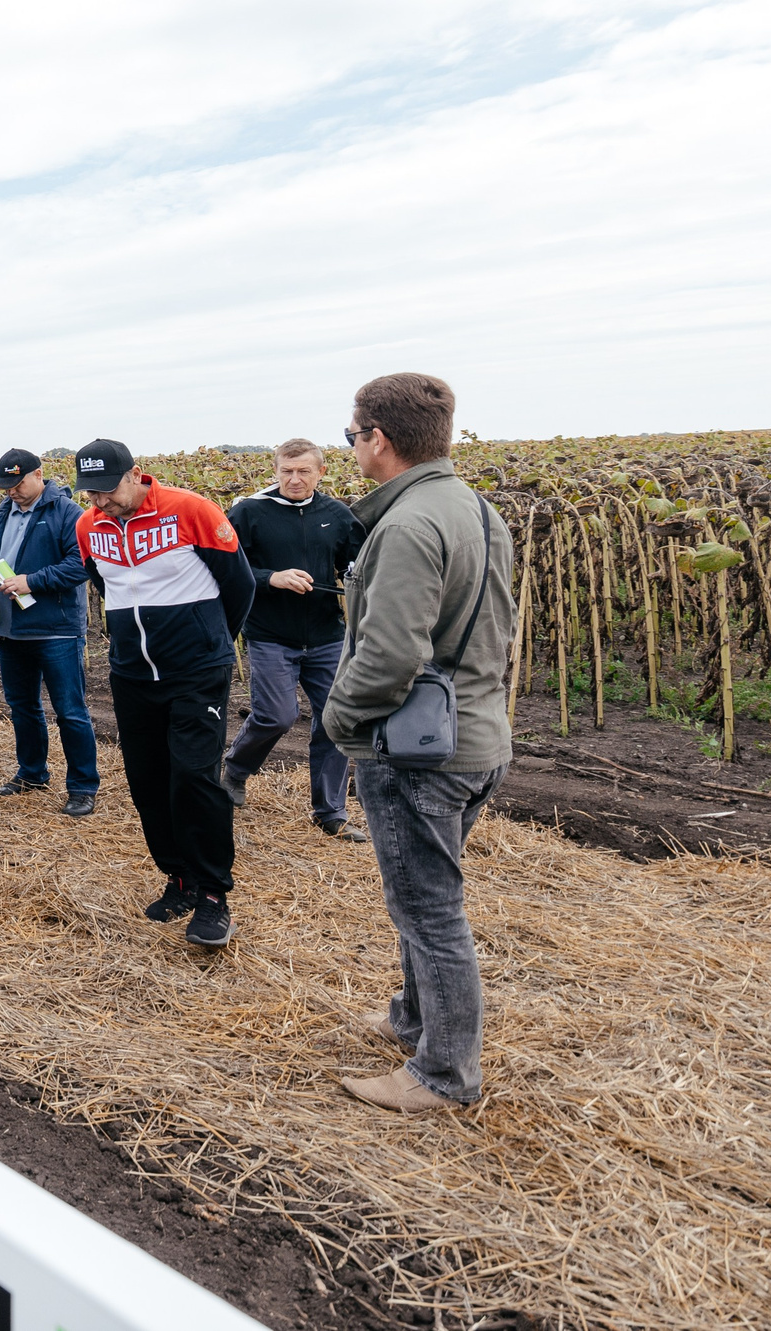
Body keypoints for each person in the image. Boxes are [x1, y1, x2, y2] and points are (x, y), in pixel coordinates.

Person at [323, 375, 515, 1113]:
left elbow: (389, 655)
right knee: (420, 898)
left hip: (417, 750)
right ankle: (411, 1018)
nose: (353, 447)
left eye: (352, 435)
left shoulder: (405, 525)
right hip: (475, 734)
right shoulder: (474, 508)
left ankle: (443, 1074)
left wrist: (341, 722)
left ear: (379, 438)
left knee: (429, 909)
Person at [74, 438, 256, 949]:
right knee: (148, 780)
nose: (100, 501)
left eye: (107, 490)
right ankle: (179, 878)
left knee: (194, 777)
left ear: (136, 475)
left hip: (196, 671)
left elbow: (238, 585)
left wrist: (211, 642)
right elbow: (104, 586)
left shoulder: (191, 510)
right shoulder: (89, 527)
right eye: (90, 493)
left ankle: (214, 895)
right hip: (132, 675)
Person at [224, 438, 370, 838]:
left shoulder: (337, 515)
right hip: (270, 634)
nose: (294, 479)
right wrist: (271, 577)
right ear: (275, 472)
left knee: (335, 720)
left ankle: (330, 812)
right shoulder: (249, 512)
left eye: (304, 471)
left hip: (326, 636)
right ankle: (236, 768)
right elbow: (227, 567)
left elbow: (357, 565)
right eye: (286, 471)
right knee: (277, 716)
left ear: (320, 472)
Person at [0, 450, 99, 816]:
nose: (11, 491)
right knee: (23, 707)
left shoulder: (68, 513)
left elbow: (81, 565)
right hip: (10, 630)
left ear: (39, 474)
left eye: (18, 483)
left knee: (70, 711)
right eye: (6, 485)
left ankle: (82, 786)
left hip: (56, 630)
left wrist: (32, 581)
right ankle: (32, 773)